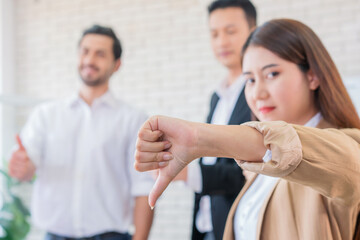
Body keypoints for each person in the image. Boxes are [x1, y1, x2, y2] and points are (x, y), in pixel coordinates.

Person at [134, 19, 360, 240]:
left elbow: (293, 149)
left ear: (312, 76)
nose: (258, 93)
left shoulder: (346, 148)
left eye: (272, 74)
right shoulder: (256, 169)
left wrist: (197, 139)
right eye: (250, 80)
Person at [8, 25, 154, 240]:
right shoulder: (46, 115)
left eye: (100, 54)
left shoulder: (134, 120)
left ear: (117, 64)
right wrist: (21, 166)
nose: (89, 60)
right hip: (54, 235)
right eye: (85, 51)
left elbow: (144, 187)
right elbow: (27, 169)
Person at [177, 1, 256, 239]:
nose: (221, 41)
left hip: (237, 228)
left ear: (253, 32)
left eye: (230, 32)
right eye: (214, 34)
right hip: (207, 226)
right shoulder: (217, 98)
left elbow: (248, 170)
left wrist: (186, 172)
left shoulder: (259, 95)